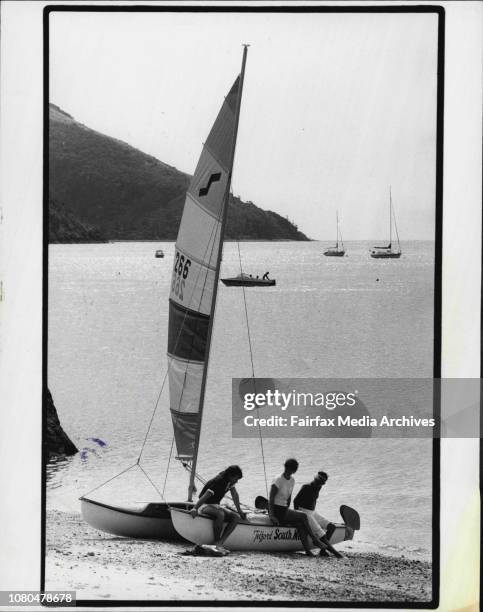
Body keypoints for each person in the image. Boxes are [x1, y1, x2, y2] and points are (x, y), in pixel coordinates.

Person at [269, 458, 328, 557]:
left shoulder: (292, 480)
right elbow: (271, 499)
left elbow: (289, 498)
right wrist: (271, 515)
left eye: (294, 469)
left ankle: (307, 551)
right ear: (286, 467)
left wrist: (289, 509)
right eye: (292, 468)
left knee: (301, 524)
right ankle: (315, 539)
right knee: (304, 516)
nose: (292, 471)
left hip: (284, 510)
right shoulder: (278, 479)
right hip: (277, 509)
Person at [190, 465, 247, 552]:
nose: (237, 481)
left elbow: (234, 495)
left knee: (235, 517)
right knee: (220, 514)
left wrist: (240, 511)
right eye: (236, 479)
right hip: (204, 505)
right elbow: (206, 495)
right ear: (230, 475)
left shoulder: (229, 481)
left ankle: (219, 543)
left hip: (215, 505)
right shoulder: (219, 481)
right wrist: (195, 508)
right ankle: (216, 541)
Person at [293, 471, 343, 558]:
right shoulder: (306, 487)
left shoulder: (318, 487)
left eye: (323, 482)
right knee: (322, 535)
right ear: (315, 479)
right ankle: (337, 554)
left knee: (332, 527)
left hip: (313, 512)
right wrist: (298, 516)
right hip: (304, 512)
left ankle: (323, 551)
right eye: (321, 482)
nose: (322, 484)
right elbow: (295, 501)